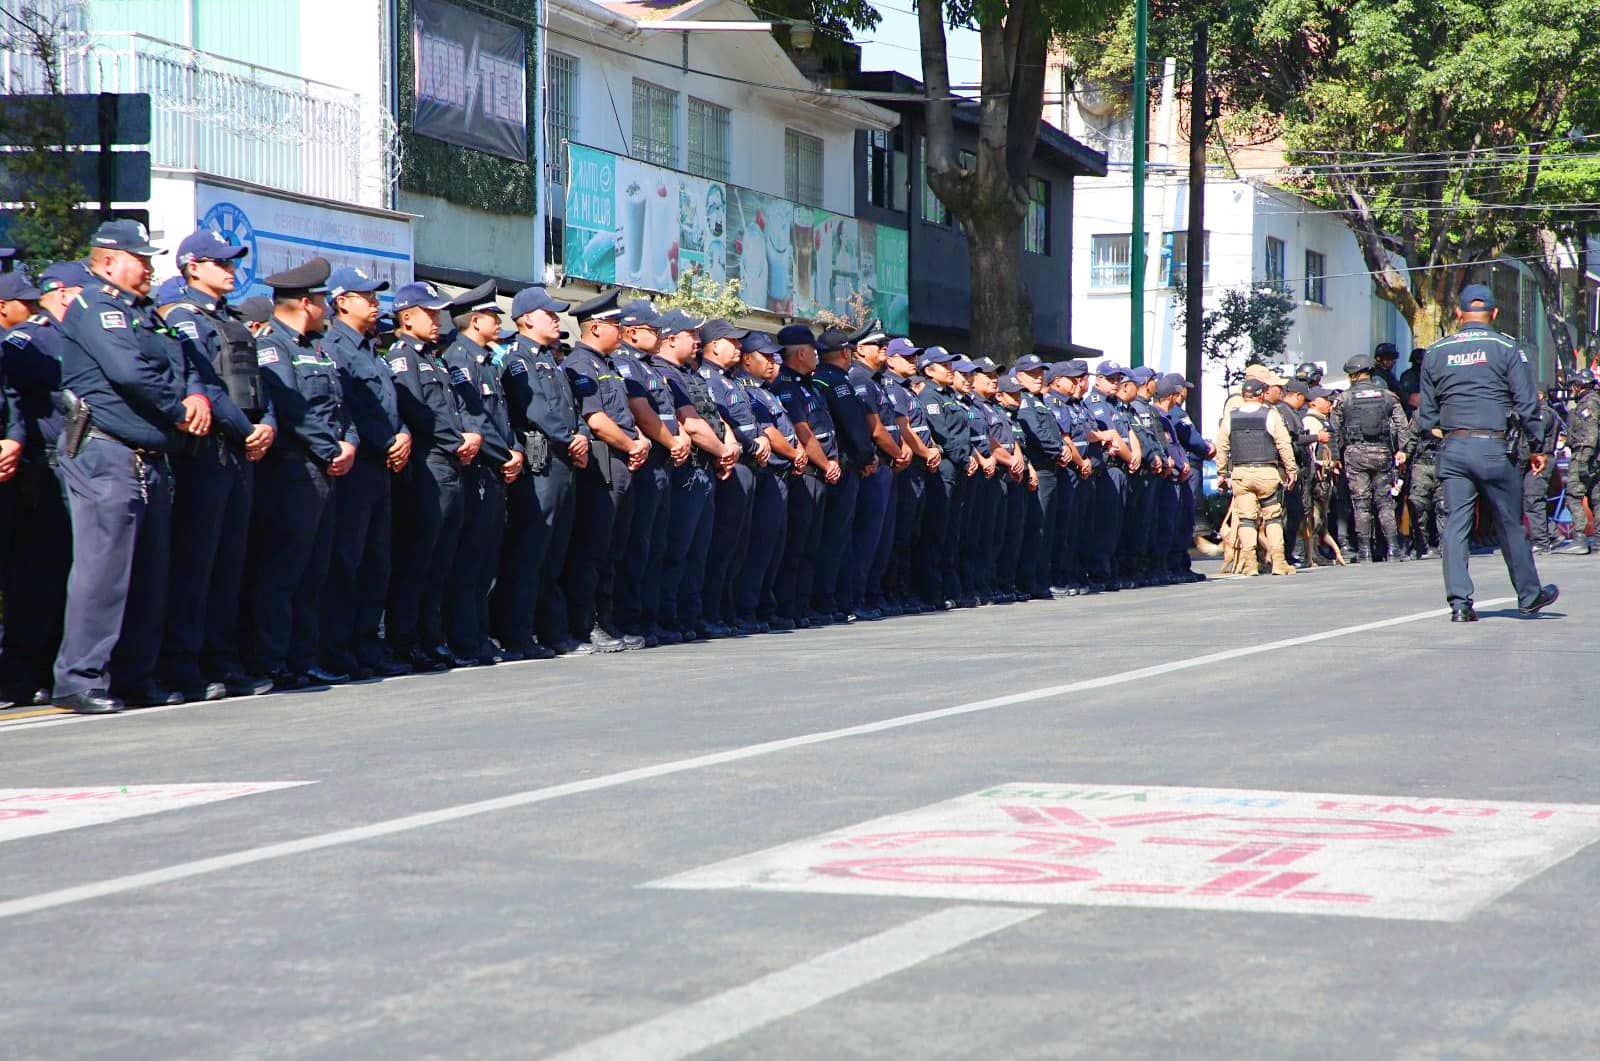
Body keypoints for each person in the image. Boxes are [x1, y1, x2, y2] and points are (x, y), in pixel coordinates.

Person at [52, 219, 211, 714]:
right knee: (104, 571)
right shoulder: (96, 306)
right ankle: (80, 678)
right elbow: (128, 372)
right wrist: (179, 407)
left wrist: (194, 394)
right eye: (140, 259)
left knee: (147, 572)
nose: (148, 268)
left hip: (148, 456)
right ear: (106, 261)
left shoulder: (143, 313)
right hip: (105, 450)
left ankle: (135, 675)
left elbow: (183, 365)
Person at [161, 229, 276, 702]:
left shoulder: (230, 319)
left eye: (231, 263)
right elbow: (202, 385)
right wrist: (246, 430)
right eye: (220, 263)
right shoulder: (185, 318)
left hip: (242, 452)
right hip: (210, 452)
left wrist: (266, 421)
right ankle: (186, 665)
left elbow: (256, 383)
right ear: (193, 267)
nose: (230, 270)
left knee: (230, 565)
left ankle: (224, 661)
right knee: (197, 565)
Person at [1415, 283, 1558, 621]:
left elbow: (1427, 415)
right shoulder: (1505, 347)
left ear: (1457, 313)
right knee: (1509, 522)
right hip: (1494, 447)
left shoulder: (1436, 351)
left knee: (1456, 525)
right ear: (1493, 313)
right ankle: (1528, 595)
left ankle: (1460, 605)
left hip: (1453, 448)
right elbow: (1526, 403)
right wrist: (1537, 446)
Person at [247, 258, 355, 689]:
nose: (328, 307)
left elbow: (340, 408)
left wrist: (349, 443)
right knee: (282, 572)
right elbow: (291, 407)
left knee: (314, 572)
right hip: (292, 472)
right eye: (323, 300)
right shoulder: (273, 347)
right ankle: (271, 660)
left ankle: (302, 658)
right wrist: (332, 447)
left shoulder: (318, 349)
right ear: (306, 303)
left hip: (325, 469)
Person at [0, 261, 85, 706]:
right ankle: (18, 673)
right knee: (35, 578)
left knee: (60, 575)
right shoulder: (26, 341)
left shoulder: (69, 339)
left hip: (63, 463)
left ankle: (43, 670)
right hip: (40, 466)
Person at [321, 266, 406, 679]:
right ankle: (339, 648)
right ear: (342, 301)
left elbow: (389, 405)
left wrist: (402, 433)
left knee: (377, 561)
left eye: (375, 297)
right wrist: (387, 441)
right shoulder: (334, 346)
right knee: (347, 561)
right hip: (357, 466)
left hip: (381, 466)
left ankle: (367, 643)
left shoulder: (371, 348)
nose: (375, 304)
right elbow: (349, 408)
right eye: (366, 297)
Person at [385, 281, 472, 671]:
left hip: (451, 464)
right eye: (430, 313)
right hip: (428, 466)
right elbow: (418, 411)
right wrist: (457, 440)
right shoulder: (401, 357)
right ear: (407, 317)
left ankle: (430, 637)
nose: (438, 321)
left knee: (442, 562)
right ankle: (405, 640)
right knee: (418, 561)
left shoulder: (433, 359)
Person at [495, 285, 587, 655]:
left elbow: (569, 408)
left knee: (554, 553)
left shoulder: (550, 360)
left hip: (563, 460)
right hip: (540, 461)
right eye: (549, 314)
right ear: (526, 319)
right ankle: (517, 633)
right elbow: (537, 412)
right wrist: (570, 438)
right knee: (531, 551)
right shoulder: (519, 360)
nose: (555, 319)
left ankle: (552, 631)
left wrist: (578, 436)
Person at [561, 289, 649, 653]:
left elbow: (626, 416)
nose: (622, 330)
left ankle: (607, 619)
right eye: (616, 324)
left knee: (615, 548)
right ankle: (587, 623)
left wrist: (640, 439)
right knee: (593, 548)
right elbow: (596, 420)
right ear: (595, 328)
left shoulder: (608, 364)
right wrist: (632, 445)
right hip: (604, 464)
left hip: (624, 461)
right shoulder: (580, 364)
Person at [442, 292, 523, 663]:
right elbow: (472, 422)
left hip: (495, 468)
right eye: (493, 314)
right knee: (470, 561)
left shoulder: (487, 360)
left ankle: (478, 635)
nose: (499, 320)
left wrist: (515, 450)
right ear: (475, 320)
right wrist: (505, 455)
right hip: (477, 469)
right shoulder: (459, 359)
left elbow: (500, 420)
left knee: (486, 559)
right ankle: (465, 639)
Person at [733, 330, 801, 631]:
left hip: (782, 475)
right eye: (767, 357)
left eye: (776, 356)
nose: (774, 362)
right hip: (768, 472)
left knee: (774, 547)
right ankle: (748, 608)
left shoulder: (767, 390)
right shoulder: (746, 389)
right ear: (748, 360)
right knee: (759, 547)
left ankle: (763, 604)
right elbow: (769, 432)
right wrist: (796, 453)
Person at [699, 317, 762, 634]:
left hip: (747, 464)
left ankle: (725, 609)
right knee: (721, 544)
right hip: (730, 466)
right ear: (713, 346)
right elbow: (722, 421)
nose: (739, 347)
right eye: (732, 342)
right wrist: (752, 442)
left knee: (738, 545)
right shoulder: (707, 378)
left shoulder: (731, 379)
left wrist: (760, 437)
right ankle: (710, 612)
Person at [770, 324, 836, 626]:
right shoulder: (786, 386)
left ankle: (802, 604)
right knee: (796, 545)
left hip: (820, 473)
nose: (817, 357)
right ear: (799, 353)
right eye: (813, 351)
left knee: (812, 544)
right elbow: (803, 432)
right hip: (807, 472)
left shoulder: (809, 384)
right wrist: (825, 464)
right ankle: (787, 606)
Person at [812, 327, 875, 620]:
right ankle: (834, 601)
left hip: (832, 463)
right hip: (844, 465)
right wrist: (867, 456)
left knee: (832, 536)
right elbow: (853, 425)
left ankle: (832, 599)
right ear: (845, 353)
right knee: (837, 537)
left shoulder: (817, 378)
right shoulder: (837, 381)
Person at [1215, 376, 1299, 576]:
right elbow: (1283, 443)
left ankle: (1250, 563)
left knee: (1246, 520)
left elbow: (1222, 446)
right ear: (1261, 395)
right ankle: (1279, 562)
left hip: (1241, 474)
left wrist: (1222, 473)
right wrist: (1291, 469)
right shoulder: (1270, 415)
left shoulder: (1231, 416)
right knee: (1273, 518)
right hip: (1266, 473)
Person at [1330, 353, 1407, 563]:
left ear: (1353, 375)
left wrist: (1335, 457)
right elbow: (1402, 425)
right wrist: (1402, 450)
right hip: (1382, 452)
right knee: (1385, 503)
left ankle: (1364, 551)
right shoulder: (1388, 396)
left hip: (1355, 454)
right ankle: (1393, 549)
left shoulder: (1342, 399)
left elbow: (1333, 431)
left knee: (1361, 504)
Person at [1552, 369, 1600, 555]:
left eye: (1574, 385)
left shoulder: (1589, 404)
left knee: (1574, 495)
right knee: (1596, 498)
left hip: (1585, 456)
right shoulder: (1592, 401)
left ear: (1580, 385)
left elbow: (1590, 434)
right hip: (1594, 458)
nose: (1571, 389)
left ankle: (1579, 537)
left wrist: (1583, 459)